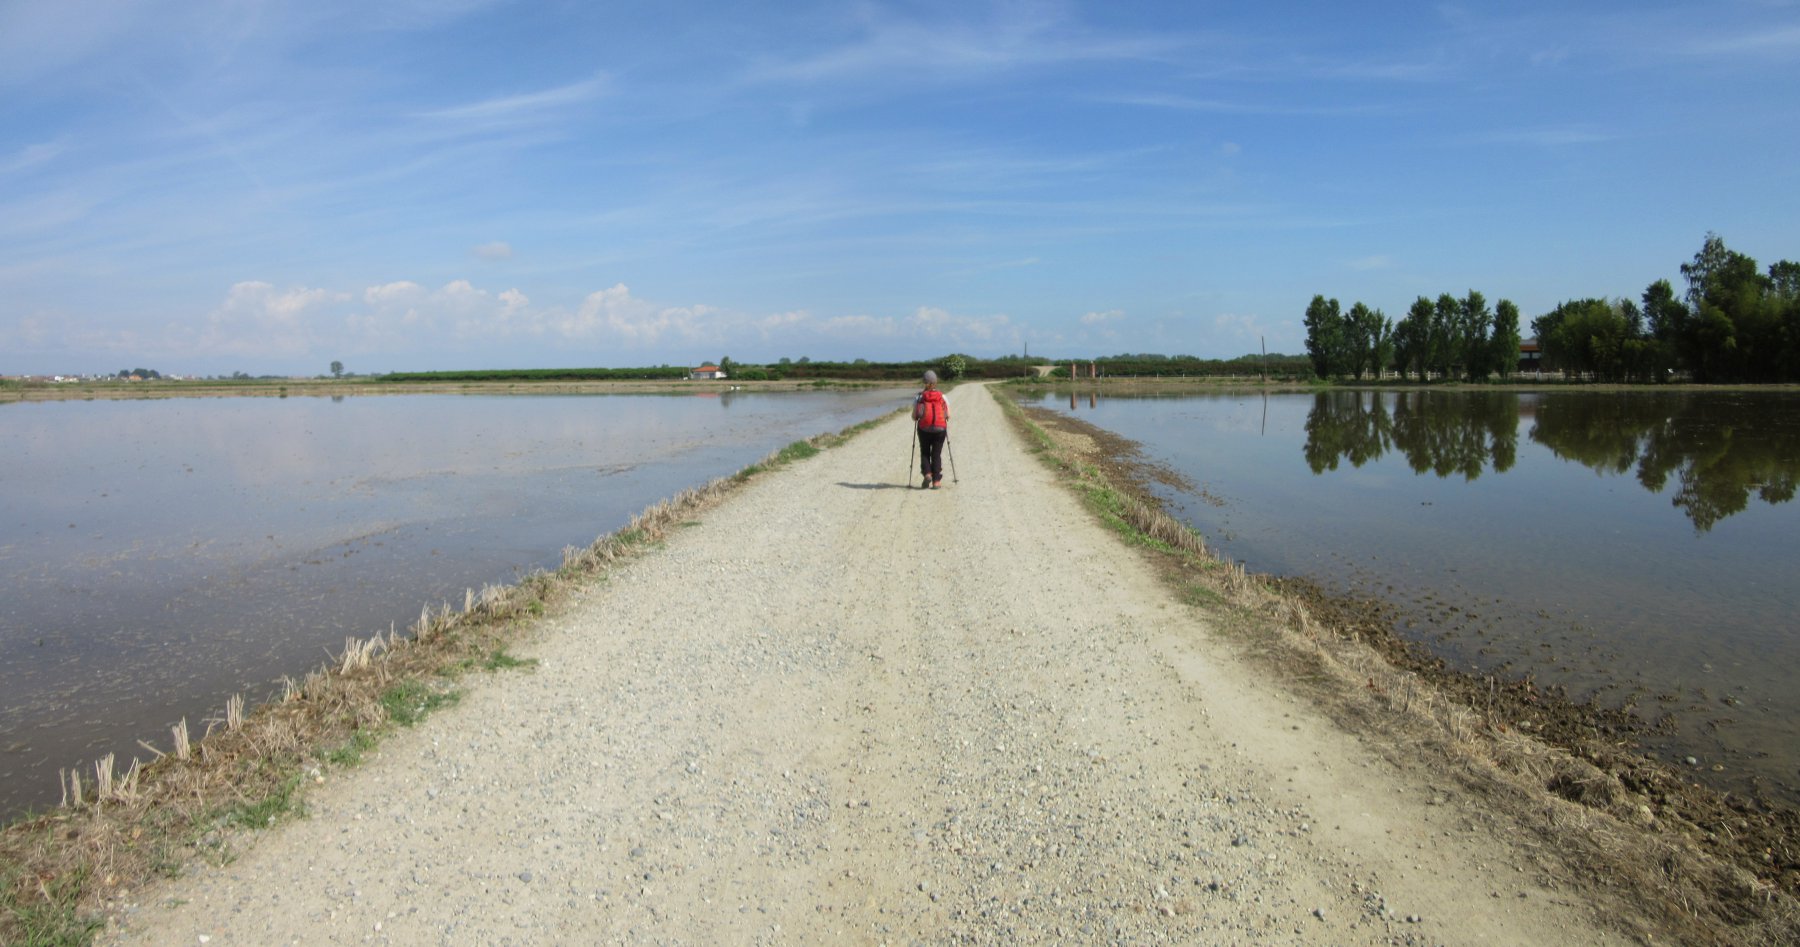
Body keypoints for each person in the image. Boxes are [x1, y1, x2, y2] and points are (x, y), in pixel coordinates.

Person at [913, 370, 949, 489]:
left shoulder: (919, 397)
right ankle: (936, 481)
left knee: (925, 452)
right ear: (935, 382)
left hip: (924, 429)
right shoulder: (942, 396)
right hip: (940, 429)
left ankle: (927, 474)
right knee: (936, 454)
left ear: (924, 382)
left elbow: (915, 416)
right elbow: (948, 415)